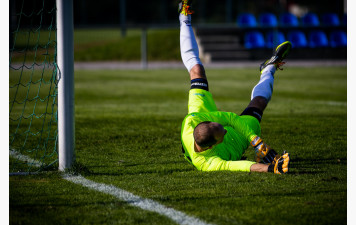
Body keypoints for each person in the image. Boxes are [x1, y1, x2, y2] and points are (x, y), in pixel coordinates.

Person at [179, 0, 291, 174]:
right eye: (222, 131)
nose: (225, 128)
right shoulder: (207, 163)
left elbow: (230, 119)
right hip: (232, 144)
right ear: (216, 144)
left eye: (218, 125)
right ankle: (269, 68)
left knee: (197, 70)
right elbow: (238, 166)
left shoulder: (190, 122)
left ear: (207, 122)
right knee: (258, 103)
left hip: (200, 113)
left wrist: (257, 143)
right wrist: (271, 168)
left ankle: (184, 18)